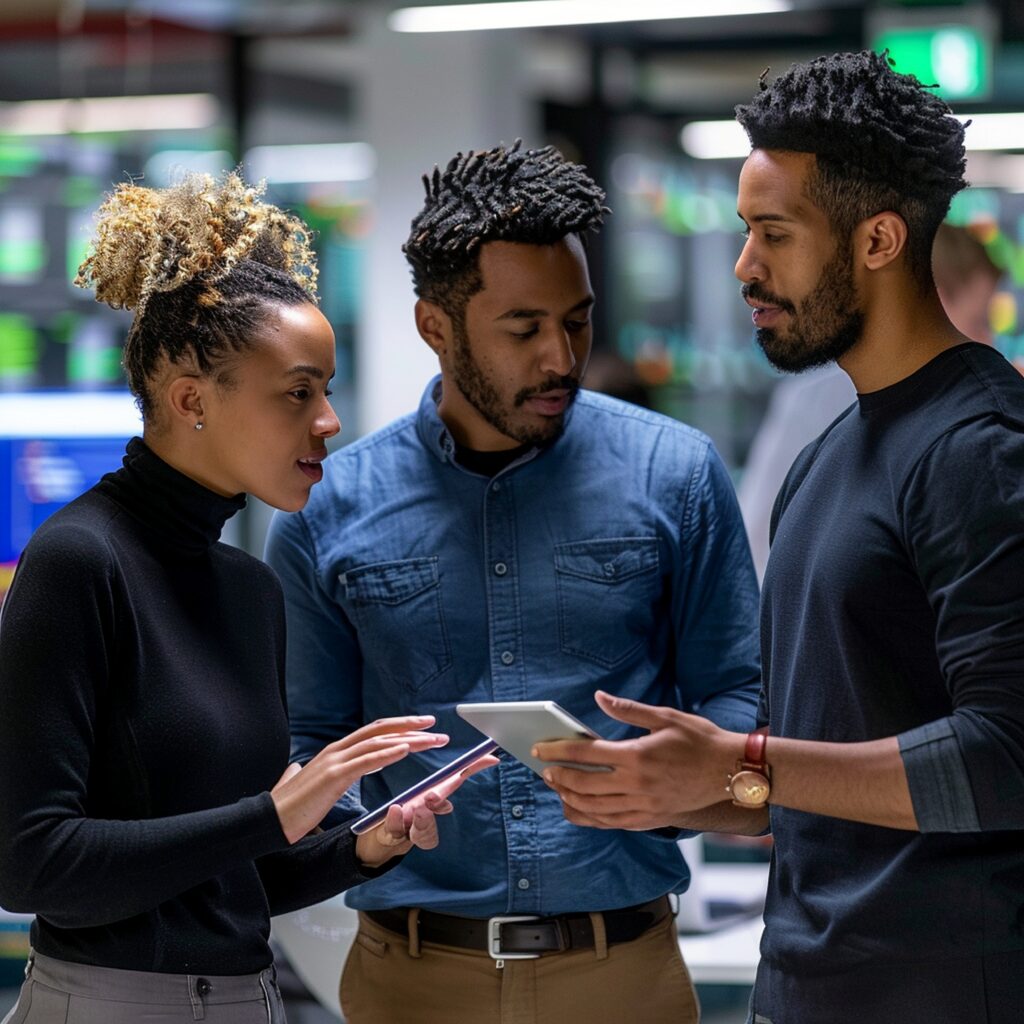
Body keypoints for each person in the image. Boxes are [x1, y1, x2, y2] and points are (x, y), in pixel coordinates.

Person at [537, 51, 1024, 1023]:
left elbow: (1006, 757)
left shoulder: (981, 451)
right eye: (743, 231)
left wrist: (740, 761)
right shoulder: (826, 453)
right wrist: (675, 787)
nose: (743, 266)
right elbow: (821, 763)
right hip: (807, 982)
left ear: (879, 238)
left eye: (774, 233)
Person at [264, 140, 761, 1024]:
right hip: (411, 976)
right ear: (436, 328)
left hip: (623, 972)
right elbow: (308, 736)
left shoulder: (676, 474)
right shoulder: (326, 506)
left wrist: (670, 784)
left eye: (577, 320)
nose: (562, 357)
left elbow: (737, 693)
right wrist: (363, 827)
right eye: (525, 329)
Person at [0, 172, 492, 1024]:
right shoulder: (79, 562)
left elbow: (239, 873)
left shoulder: (250, 590)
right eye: (299, 392)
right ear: (191, 399)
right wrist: (273, 810)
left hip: (246, 999)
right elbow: (30, 866)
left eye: (328, 389)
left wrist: (362, 845)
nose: (329, 420)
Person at [738, 221, 1004, 581]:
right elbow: (756, 547)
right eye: (979, 319)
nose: (988, 340)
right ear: (932, 302)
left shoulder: (972, 412)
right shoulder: (820, 401)